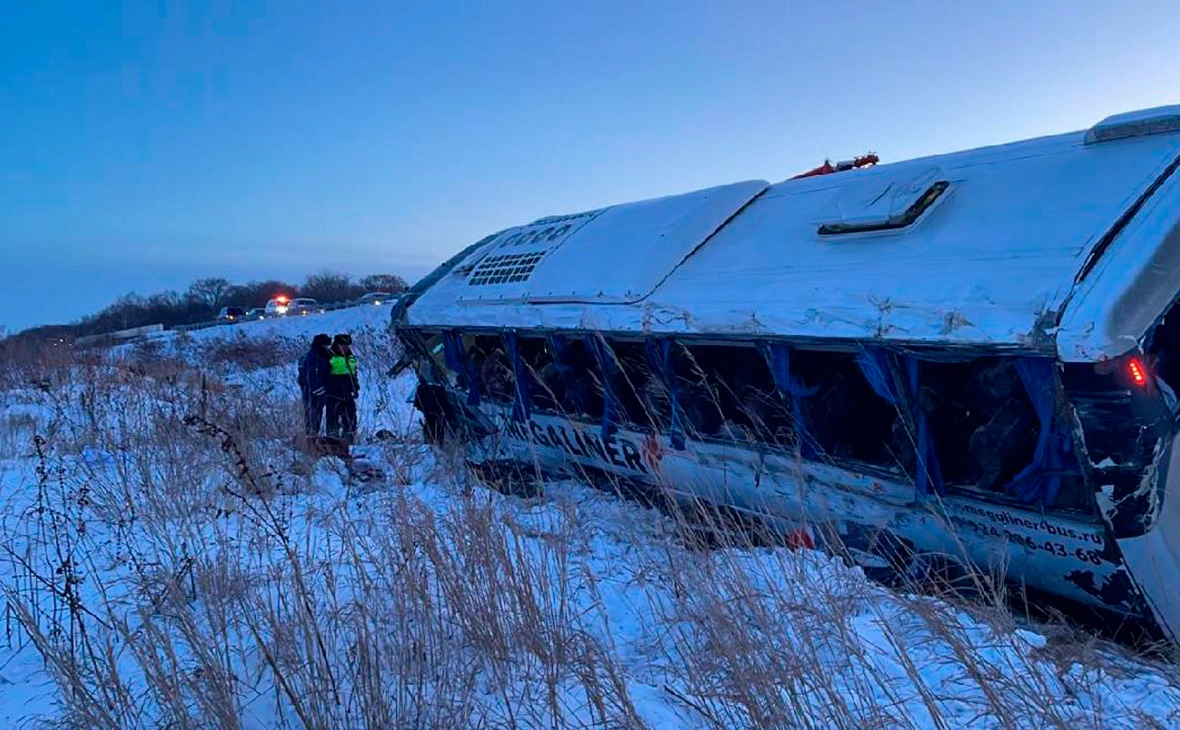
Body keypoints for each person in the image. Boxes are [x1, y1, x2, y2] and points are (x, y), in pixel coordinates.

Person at [297, 334, 332, 436]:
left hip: (316, 392)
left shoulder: (321, 355)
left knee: (315, 416)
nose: (328, 347)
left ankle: (313, 437)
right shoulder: (312, 357)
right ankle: (311, 438)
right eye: (327, 345)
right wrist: (320, 391)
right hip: (313, 393)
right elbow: (311, 377)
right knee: (312, 417)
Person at [326, 333, 359, 441]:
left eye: (348, 345)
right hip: (333, 392)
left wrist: (355, 387)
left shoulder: (350, 357)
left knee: (351, 414)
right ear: (337, 344)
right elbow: (323, 373)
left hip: (347, 391)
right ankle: (332, 438)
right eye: (344, 345)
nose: (346, 348)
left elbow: (353, 373)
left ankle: (349, 438)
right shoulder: (329, 356)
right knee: (333, 416)